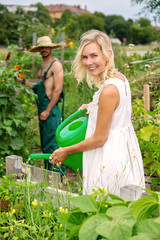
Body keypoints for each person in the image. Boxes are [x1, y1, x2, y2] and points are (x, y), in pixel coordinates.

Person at [49, 30, 145, 196]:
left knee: (105, 208)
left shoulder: (108, 91)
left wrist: (67, 150)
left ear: (108, 54)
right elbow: (118, 109)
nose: (88, 62)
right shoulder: (120, 78)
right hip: (124, 154)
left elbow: (100, 139)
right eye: (85, 57)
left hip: (108, 159)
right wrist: (94, 106)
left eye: (94, 55)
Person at [17, 36, 65, 176]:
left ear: (51, 48)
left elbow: (57, 90)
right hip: (42, 109)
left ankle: (59, 178)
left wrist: (48, 110)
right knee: (45, 145)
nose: (44, 49)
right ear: (39, 50)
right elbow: (39, 87)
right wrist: (23, 81)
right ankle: (49, 176)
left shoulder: (56, 65)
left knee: (53, 145)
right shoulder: (42, 66)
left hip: (50, 110)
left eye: (46, 47)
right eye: (41, 47)